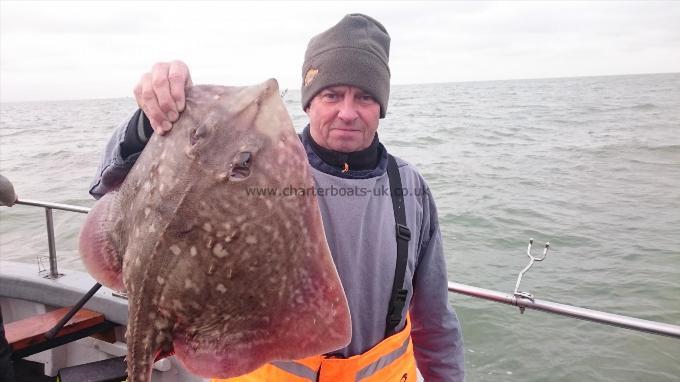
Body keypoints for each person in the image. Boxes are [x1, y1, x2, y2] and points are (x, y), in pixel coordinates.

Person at [90, 13, 464, 382]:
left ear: (381, 106)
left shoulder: (410, 189)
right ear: (309, 102)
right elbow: (111, 180)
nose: (347, 112)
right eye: (332, 95)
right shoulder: (256, 165)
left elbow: (436, 322)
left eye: (364, 97)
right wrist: (148, 120)